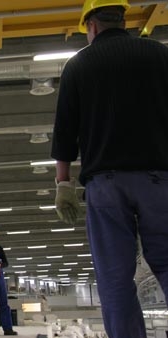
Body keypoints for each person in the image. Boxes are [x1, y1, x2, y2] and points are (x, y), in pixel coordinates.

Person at [51, 0, 168, 337]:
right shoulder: (160, 55)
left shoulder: (79, 65)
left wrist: (63, 184)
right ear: (122, 19)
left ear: (91, 26)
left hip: (106, 185)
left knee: (115, 278)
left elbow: (65, 131)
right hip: (159, 181)